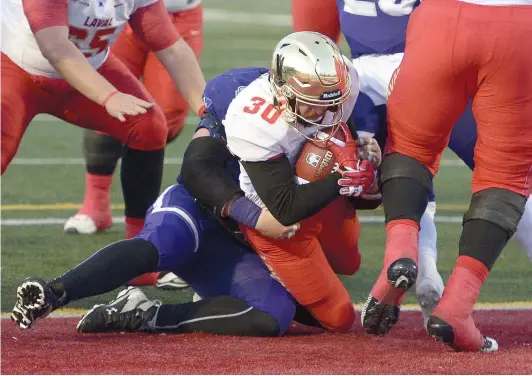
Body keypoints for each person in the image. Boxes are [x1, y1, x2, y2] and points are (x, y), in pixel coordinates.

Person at [11, 68, 303, 337]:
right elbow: (195, 170)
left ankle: (146, 314)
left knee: (274, 314)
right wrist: (253, 216)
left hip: (234, 244)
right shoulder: (240, 94)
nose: (319, 109)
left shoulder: (330, 129)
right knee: (158, 244)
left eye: (329, 98)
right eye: (309, 93)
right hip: (197, 208)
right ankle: (54, 292)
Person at [361, 0, 532, 352]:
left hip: (441, 18)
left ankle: (399, 252)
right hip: (519, 28)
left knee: (409, 146)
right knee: (505, 173)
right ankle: (457, 307)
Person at [1, 0, 206, 240]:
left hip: (89, 66)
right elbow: (55, 48)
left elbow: (171, 47)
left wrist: (207, 109)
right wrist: (109, 96)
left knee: (148, 126)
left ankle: (141, 246)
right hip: (15, 69)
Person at [218, 31, 380, 333]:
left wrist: (364, 166)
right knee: (339, 319)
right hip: (278, 221)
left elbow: (349, 149)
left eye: (333, 104)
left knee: (350, 264)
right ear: (283, 93)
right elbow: (285, 209)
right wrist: (343, 178)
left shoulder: (338, 88)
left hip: (321, 191)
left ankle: (314, 269)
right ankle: (250, 271)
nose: (325, 113)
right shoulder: (253, 121)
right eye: (311, 105)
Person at [64, 0, 204, 238]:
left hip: (177, 13)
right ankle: (95, 204)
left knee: (164, 121)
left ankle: (142, 227)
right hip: (116, 12)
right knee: (105, 104)